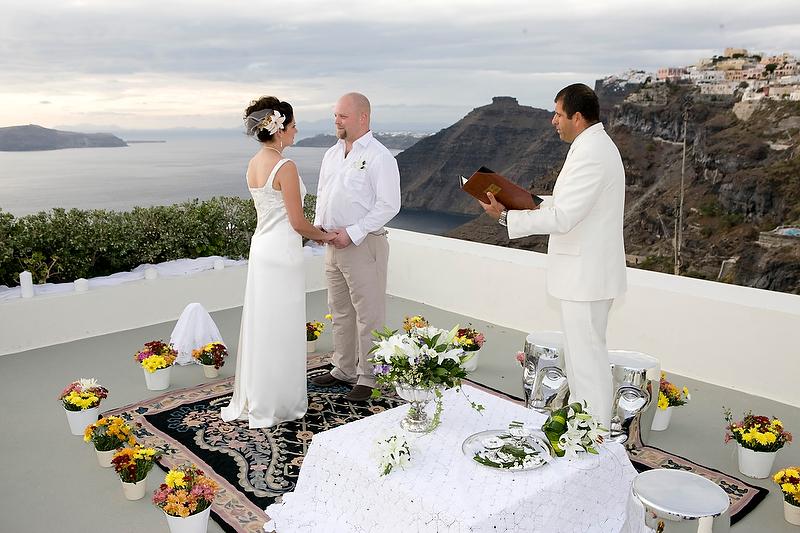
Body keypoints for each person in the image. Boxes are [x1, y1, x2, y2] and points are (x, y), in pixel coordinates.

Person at [479, 83, 627, 429]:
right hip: (584, 276)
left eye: (558, 114)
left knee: (587, 361)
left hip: (586, 277)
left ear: (577, 117)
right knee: (580, 359)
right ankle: (583, 429)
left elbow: (564, 217)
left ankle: (592, 436)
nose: (552, 121)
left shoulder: (592, 153)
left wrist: (505, 217)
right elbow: (569, 205)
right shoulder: (591, 146)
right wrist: (526, 201)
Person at [221, 96, 336, 428]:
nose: (297, 130)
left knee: (264, 324)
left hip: (262, 249)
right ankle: (281, 403)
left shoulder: (254, 162)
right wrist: (326, 236)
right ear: (280, 128)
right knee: (282, 326)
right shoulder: (286, 167)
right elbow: (298, 223)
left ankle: (260, 395)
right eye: (294, 125)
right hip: (283, 253)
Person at [310, 92, 401, 402]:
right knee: (340, 311)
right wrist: (318, 227)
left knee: (369, 313)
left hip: (364, 245)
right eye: (335, 115)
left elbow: (390, 204)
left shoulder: (379, 156)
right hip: (332, 245)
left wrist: (353, 233)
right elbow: (323, 194)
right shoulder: (332, 155)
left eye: (343, 116)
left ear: (363, 118)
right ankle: (344, 368)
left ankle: (370, 375)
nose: (337, 120)